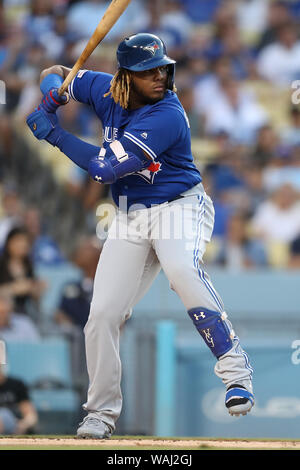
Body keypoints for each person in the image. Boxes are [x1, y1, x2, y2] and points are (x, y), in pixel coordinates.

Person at [26, 33, 254, 439]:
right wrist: (52, 89)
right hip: (131, 216)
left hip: (179, 205)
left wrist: (54, 133)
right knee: (101, 315)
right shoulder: (103, 88)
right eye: (148, 71)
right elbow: (57, 72)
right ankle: (100, 413)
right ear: (125, 77)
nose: (160, 77)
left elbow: (102, 169)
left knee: (182, 271)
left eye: (163, 69)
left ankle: (236, 372)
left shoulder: (166, 113)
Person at [0, 363, 38, 435]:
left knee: (3, 414)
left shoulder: (16, 384)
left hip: (14, 425)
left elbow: (31, 416)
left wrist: (23, 425)